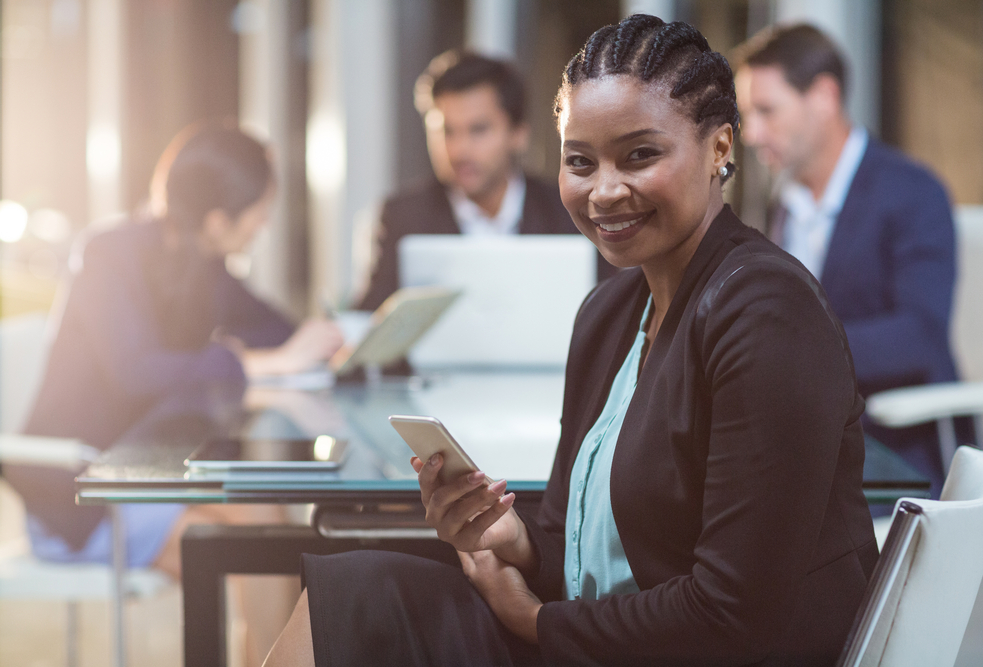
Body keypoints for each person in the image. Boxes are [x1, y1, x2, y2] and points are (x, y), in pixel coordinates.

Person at [265, 16, 876, 667]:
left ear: (720, 146)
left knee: (362, 602)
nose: (604, 190)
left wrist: (533, 620)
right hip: (607, 629)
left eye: (641, 154)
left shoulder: (767, 312)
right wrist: (515, 540)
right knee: (352, 590)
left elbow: (732, 614)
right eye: (580, 161)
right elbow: (573, 540)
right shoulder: (611, 310)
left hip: (693, 651)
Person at [5, 123, 343, 577]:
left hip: (153, 471)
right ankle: (285, 651)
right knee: (250, 538)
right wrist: (254, 363)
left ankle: (278, 653)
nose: (265, 224)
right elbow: (134, 371)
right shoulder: (108, 254)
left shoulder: (205, 269)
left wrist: (328, 340)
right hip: (79, 495)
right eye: (260, 212)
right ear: (217, 220)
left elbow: (275, 330)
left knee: (260, 530)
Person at [733, 24, 959, 496]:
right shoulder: (780, 202)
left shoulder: (913, 192)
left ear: (823, 97)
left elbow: (920, 335)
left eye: (766, 112)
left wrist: (794, 352)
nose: (751, 134)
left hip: (888, 451)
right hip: (794, 443)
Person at [355, 50, 613, 311]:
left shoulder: (569, 211)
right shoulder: (402, 217)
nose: (458, 151)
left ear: (518, 134)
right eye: (446, 131)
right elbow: (370, 318)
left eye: (478, 130)